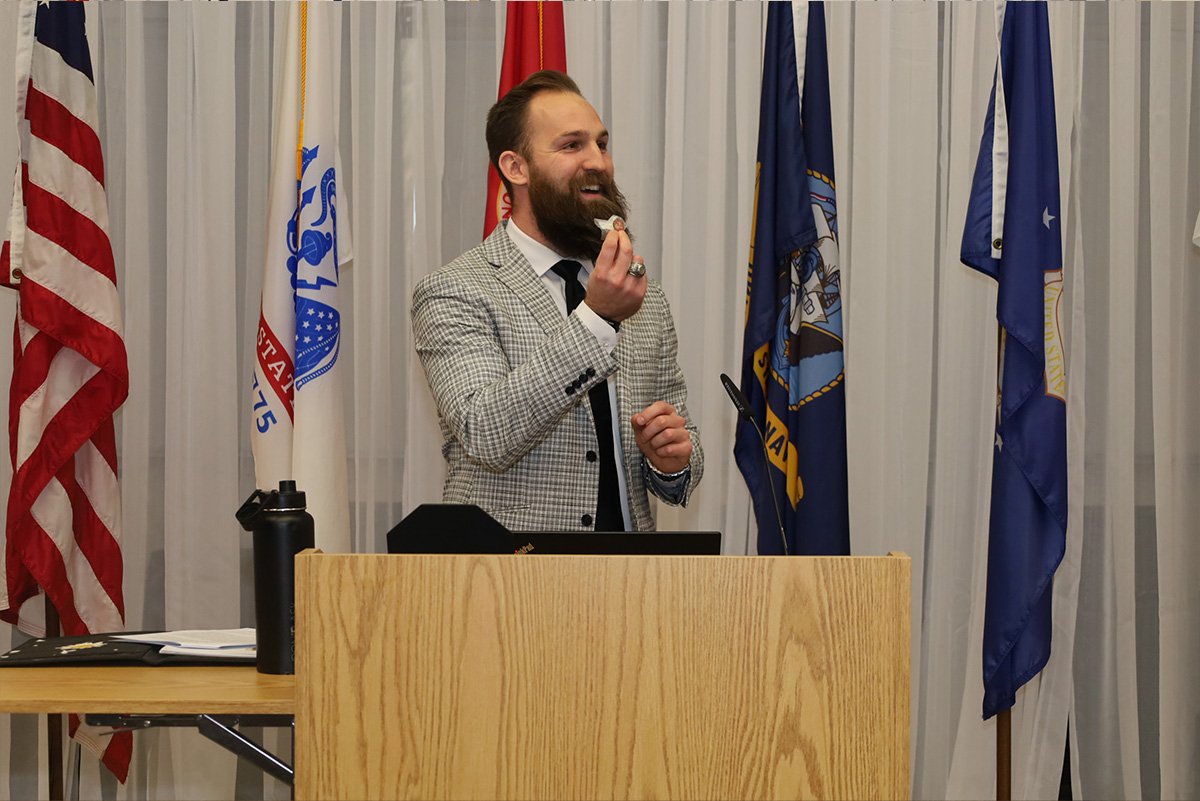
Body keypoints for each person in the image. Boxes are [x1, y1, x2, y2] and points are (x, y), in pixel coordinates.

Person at [411, 70, 702, 532]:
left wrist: (672, 462)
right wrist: (597, 317)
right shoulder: (455, 290)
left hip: (631, 570)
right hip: (509, 570)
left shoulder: (642, 295)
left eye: (601, 144)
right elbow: (485, 433)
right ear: (516, 168)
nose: (598, 162)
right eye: (572, 146)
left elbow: (680, 447)